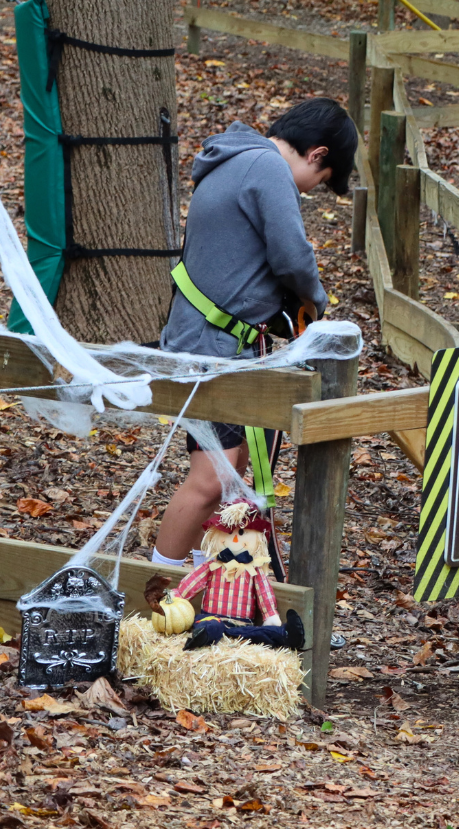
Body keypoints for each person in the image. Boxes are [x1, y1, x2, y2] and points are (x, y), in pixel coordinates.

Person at [150, 96, 357, 572]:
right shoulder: (266, 167)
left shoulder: (238, 157)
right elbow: (292, 257)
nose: (308, 191)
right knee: (209, 479)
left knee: (235, 464)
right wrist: (315, 305)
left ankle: (207, 574)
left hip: (215, 342)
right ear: (317, 154)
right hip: (210, 347)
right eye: (320, 182)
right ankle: (155, 588)